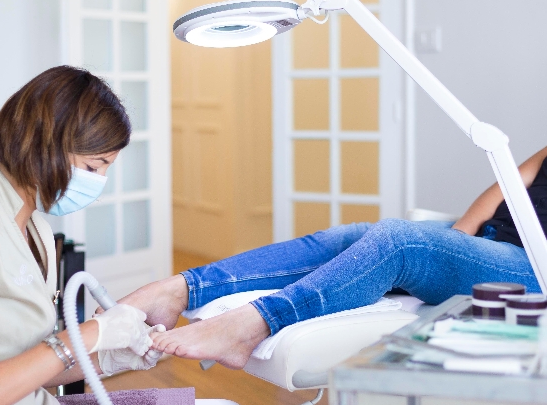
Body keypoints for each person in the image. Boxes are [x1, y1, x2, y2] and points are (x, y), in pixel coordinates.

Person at [0, 66, 252, 405]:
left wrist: (109, 355)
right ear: (47, 144)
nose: (98, 183)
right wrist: (90, 333)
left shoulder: (34, 229)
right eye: (93, 168)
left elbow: (25, 368)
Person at [119, 146, 547, 370]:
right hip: (489, 241)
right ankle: (179, 288)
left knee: (399, 241)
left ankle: (249, 325)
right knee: (358, 235)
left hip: (532, 267)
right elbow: (505, 188)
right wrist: (456, 241)